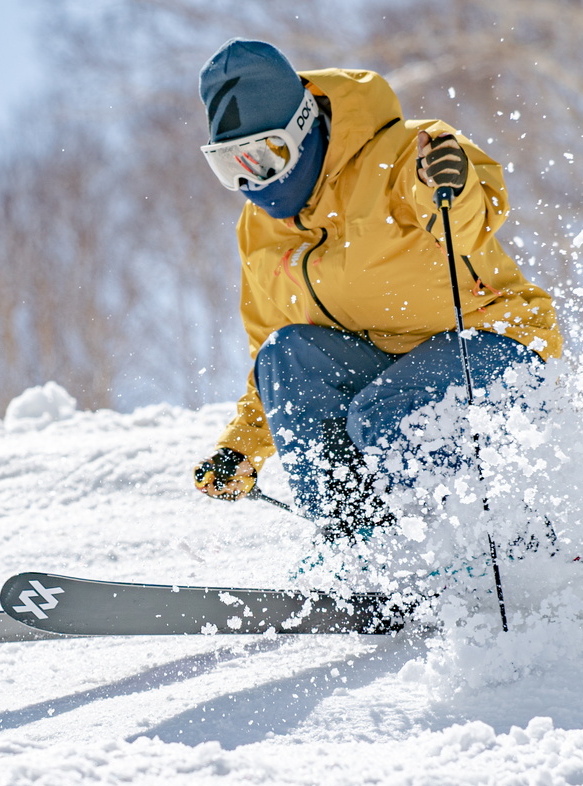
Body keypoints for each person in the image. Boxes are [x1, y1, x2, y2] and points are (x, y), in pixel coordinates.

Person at [191, 39, 562, 544]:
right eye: (229, 164)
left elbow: (471, 220)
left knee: (388, 415)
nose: (252, 180)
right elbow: (272, 360)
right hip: (382, 367)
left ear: (304, 127)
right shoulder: (258, 230)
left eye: (266, 156)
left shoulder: (405, 153)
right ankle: (362, 552)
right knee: (287, 358)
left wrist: (448, 184)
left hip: (491, 352)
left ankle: (460, 549)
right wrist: (244, 446)